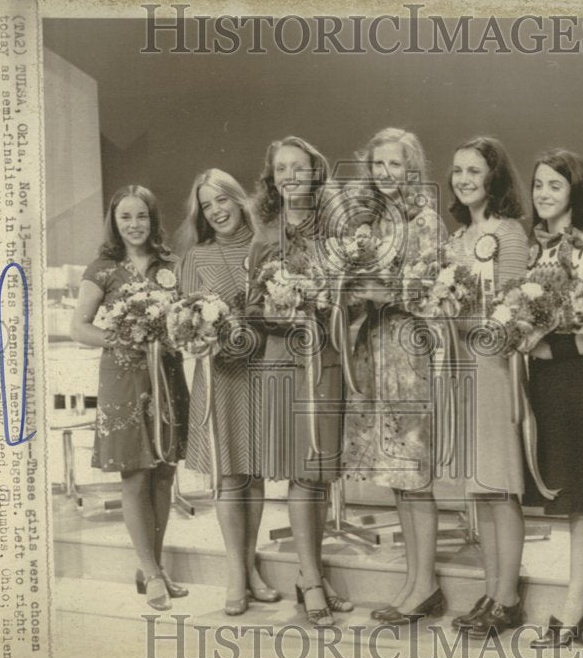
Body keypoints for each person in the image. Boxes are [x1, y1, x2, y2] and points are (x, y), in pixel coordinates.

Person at [340, 127, 449, 625]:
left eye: (395, 165)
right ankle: (414, 581)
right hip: (374, 348)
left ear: (412, 169)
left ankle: (425, 585)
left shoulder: (425, 220)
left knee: (413, 473)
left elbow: (429, 292)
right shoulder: (370, 221)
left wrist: (378, 292)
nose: (386, 174)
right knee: (397, 478)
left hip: (407, 352)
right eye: (378, 164)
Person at [245, 136, 351, 627]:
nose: (290, 176)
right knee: (301, 473)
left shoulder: (336, 233)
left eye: (299, 167)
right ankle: (309, 580)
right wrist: (285, 310)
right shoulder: (266, 235)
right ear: (273, 178)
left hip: (326, 360)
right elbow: (252, 310)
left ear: (315, 172)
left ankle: (314, 571)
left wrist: (329, 305)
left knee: (320, 474)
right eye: (281, 168)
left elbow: (350, 299)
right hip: (284, 362)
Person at [71, 185, 189, 611]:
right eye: (126, 217)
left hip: (168, 377)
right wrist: (120, 339)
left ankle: (152, 568)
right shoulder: (102, 268)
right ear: (114, 222)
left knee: (163, 473)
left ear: (153, 220)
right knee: (135, 474)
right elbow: (79, 327)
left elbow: (186, 318)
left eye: (142, 216)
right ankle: (152, 571)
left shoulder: (171, 265)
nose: (134, 225)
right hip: (122, 377)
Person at [522, 149, 583, 648]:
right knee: (571, 497)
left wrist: (548, 336)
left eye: (554, 186)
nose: (543, 194)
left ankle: (571, 611)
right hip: (545, 381)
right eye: (538, 184)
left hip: (579, 379)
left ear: (573, 193)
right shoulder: (534, 246)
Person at [177, 168, 280, 616]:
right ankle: (236, 573)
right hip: (219, 375)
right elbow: (183, 322)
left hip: (261, 370)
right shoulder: (195, 257)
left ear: (240, 201)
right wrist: (198, 335)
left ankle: (251, 566)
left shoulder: (266, 248)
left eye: (222, 200)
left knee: (253, 473)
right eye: (206, 205)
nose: (216, 211)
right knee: (228, 476)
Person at [447, 136, 532, 639]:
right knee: (480, 490)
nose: (463, 179)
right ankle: (491, 587)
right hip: (459, 368)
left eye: (474, 171)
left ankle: (509, 596)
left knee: (501, 486)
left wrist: (468, 313)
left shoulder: (509, 232)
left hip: (493, 365)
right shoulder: (457, 239)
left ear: (493, 177)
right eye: (457, 170)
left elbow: (514, 306)